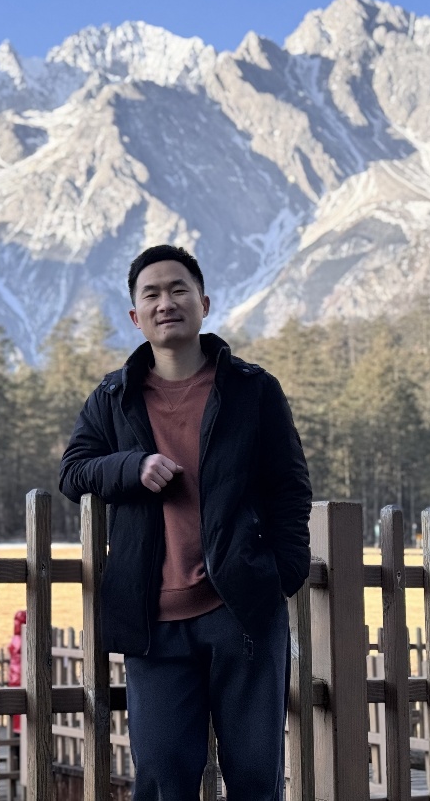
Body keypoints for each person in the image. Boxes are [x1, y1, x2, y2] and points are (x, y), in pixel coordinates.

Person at [59, 244, 312, 801]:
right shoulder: (113, 396)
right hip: (153, 623)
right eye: (151, 294)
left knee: (255, 779)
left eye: (178, 290)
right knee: (162, 778)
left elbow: (289, 487)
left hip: (242, 612)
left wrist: (282, 575)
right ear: (136, 316)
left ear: (204, 303)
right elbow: (73, 472)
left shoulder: (252, 390)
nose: (165, 302)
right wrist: (131, 466)